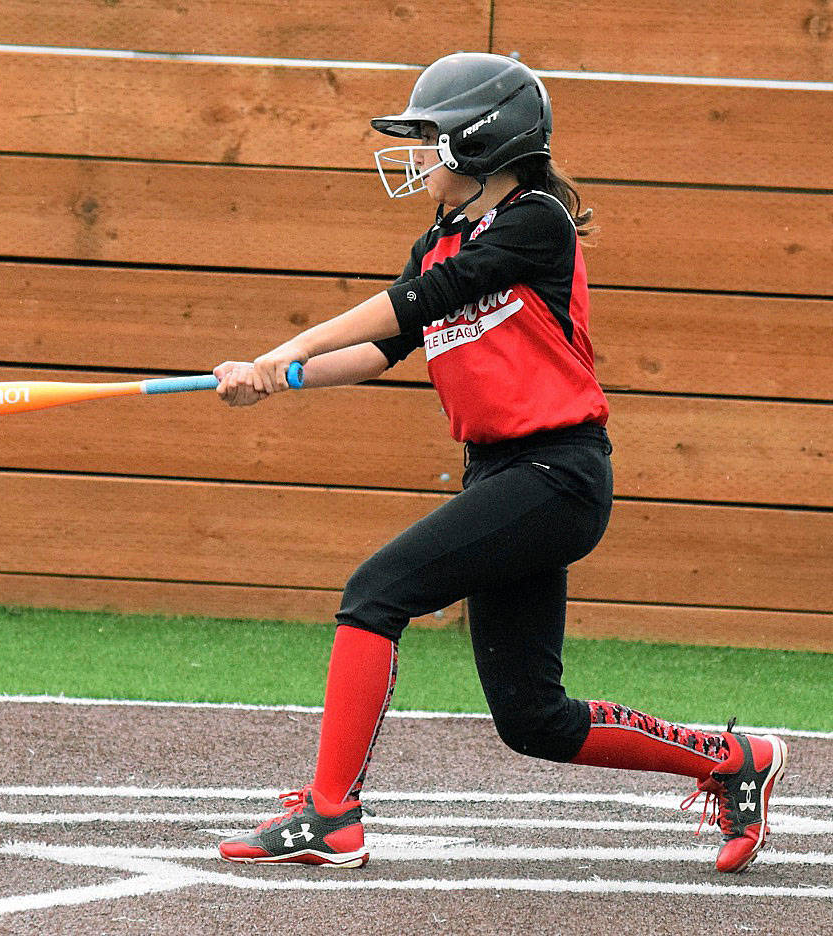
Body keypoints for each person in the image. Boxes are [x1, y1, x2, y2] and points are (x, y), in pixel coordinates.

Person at [211, 52, 787, 874]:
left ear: (484, 145)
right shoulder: (437, 241)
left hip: (557, 474)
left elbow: (422, 304)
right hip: (504, 479)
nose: (416, 154)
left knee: (376, 593)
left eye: (431, 138)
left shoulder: (537, 221)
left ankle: (332, 817)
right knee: (534, 720)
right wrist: (275, 381)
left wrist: (290, 344)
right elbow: (385, 347)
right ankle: (737, 761)